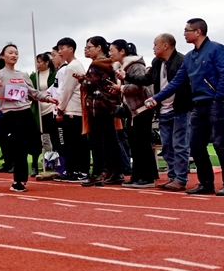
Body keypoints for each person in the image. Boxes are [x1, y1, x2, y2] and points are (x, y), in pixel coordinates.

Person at [145, 18, 224, 196]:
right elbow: (177, 82)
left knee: (220, 144)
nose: (184, 34)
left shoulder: (217, 49)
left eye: (187, 30)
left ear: (198, 32)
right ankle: (206, 183)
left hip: (216, 103)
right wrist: (156, 98)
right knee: (196, 145)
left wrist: (218, 97)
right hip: (198, 105)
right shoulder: (189, 57)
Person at [0, 44, 57, 192]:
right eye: (10, 53)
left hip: (26, 111)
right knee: (20, 145)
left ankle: (29, 164)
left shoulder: (22, 75)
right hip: (10, 113)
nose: (14, 55)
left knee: (35, 142)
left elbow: (34, 93)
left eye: (16, 53)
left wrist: (48, 98)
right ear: (3, 56)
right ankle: (18, 181)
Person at [121, 33, 191, 191]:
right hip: (163, 109)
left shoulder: (181, 61)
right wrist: (127, 76)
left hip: (179, 108)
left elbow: (184, 84)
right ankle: (172, 177)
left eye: (155, 44)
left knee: (179, 145)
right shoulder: (157, 62)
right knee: (167, 146)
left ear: (165, 45)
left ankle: (180, 179)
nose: (153, 48)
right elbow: (147, 80)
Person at [109, 40, 158, 188]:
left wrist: (120, 89)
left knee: (142, 143)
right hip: (132, 110)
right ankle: (137, 175)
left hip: (142, 109)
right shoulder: (121, 67)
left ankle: (147, 177)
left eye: (112, 50)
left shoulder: (136, 65)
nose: (110, 53)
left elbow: (140, 86)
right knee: (134, 143)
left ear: (122, 51)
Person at [77, 37, 123, 187]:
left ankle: (97, 173)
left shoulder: (97, 65)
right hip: (109, 106)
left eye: (89, 47)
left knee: (98, 141)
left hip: (98, 106)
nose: (87, 49)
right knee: (111, 139)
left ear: (99, 48)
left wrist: (83, 80)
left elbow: (90, 84)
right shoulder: (110, 64)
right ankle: (115, 171)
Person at [54, 38, 88, 182]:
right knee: (78, 142)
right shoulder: (75, 65)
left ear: (71, 49)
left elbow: (66, 90)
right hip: (76, 109)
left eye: (62, 48)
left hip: (73, 110)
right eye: (59, 49)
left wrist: (60, 109)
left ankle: (75, 170)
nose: (60, 52)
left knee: (73, 142)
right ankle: (80, 170)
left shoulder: (72, 67)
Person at [29, 53, 57, 178]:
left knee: (53, 138)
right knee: (37, 138)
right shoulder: (34, 76)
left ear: (47, 62)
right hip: (38, 110)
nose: (37, 64)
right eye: (36, 62)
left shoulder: (54, 74)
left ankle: (54, 162)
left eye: (40, 62)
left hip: (51, 109)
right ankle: (34, 165)